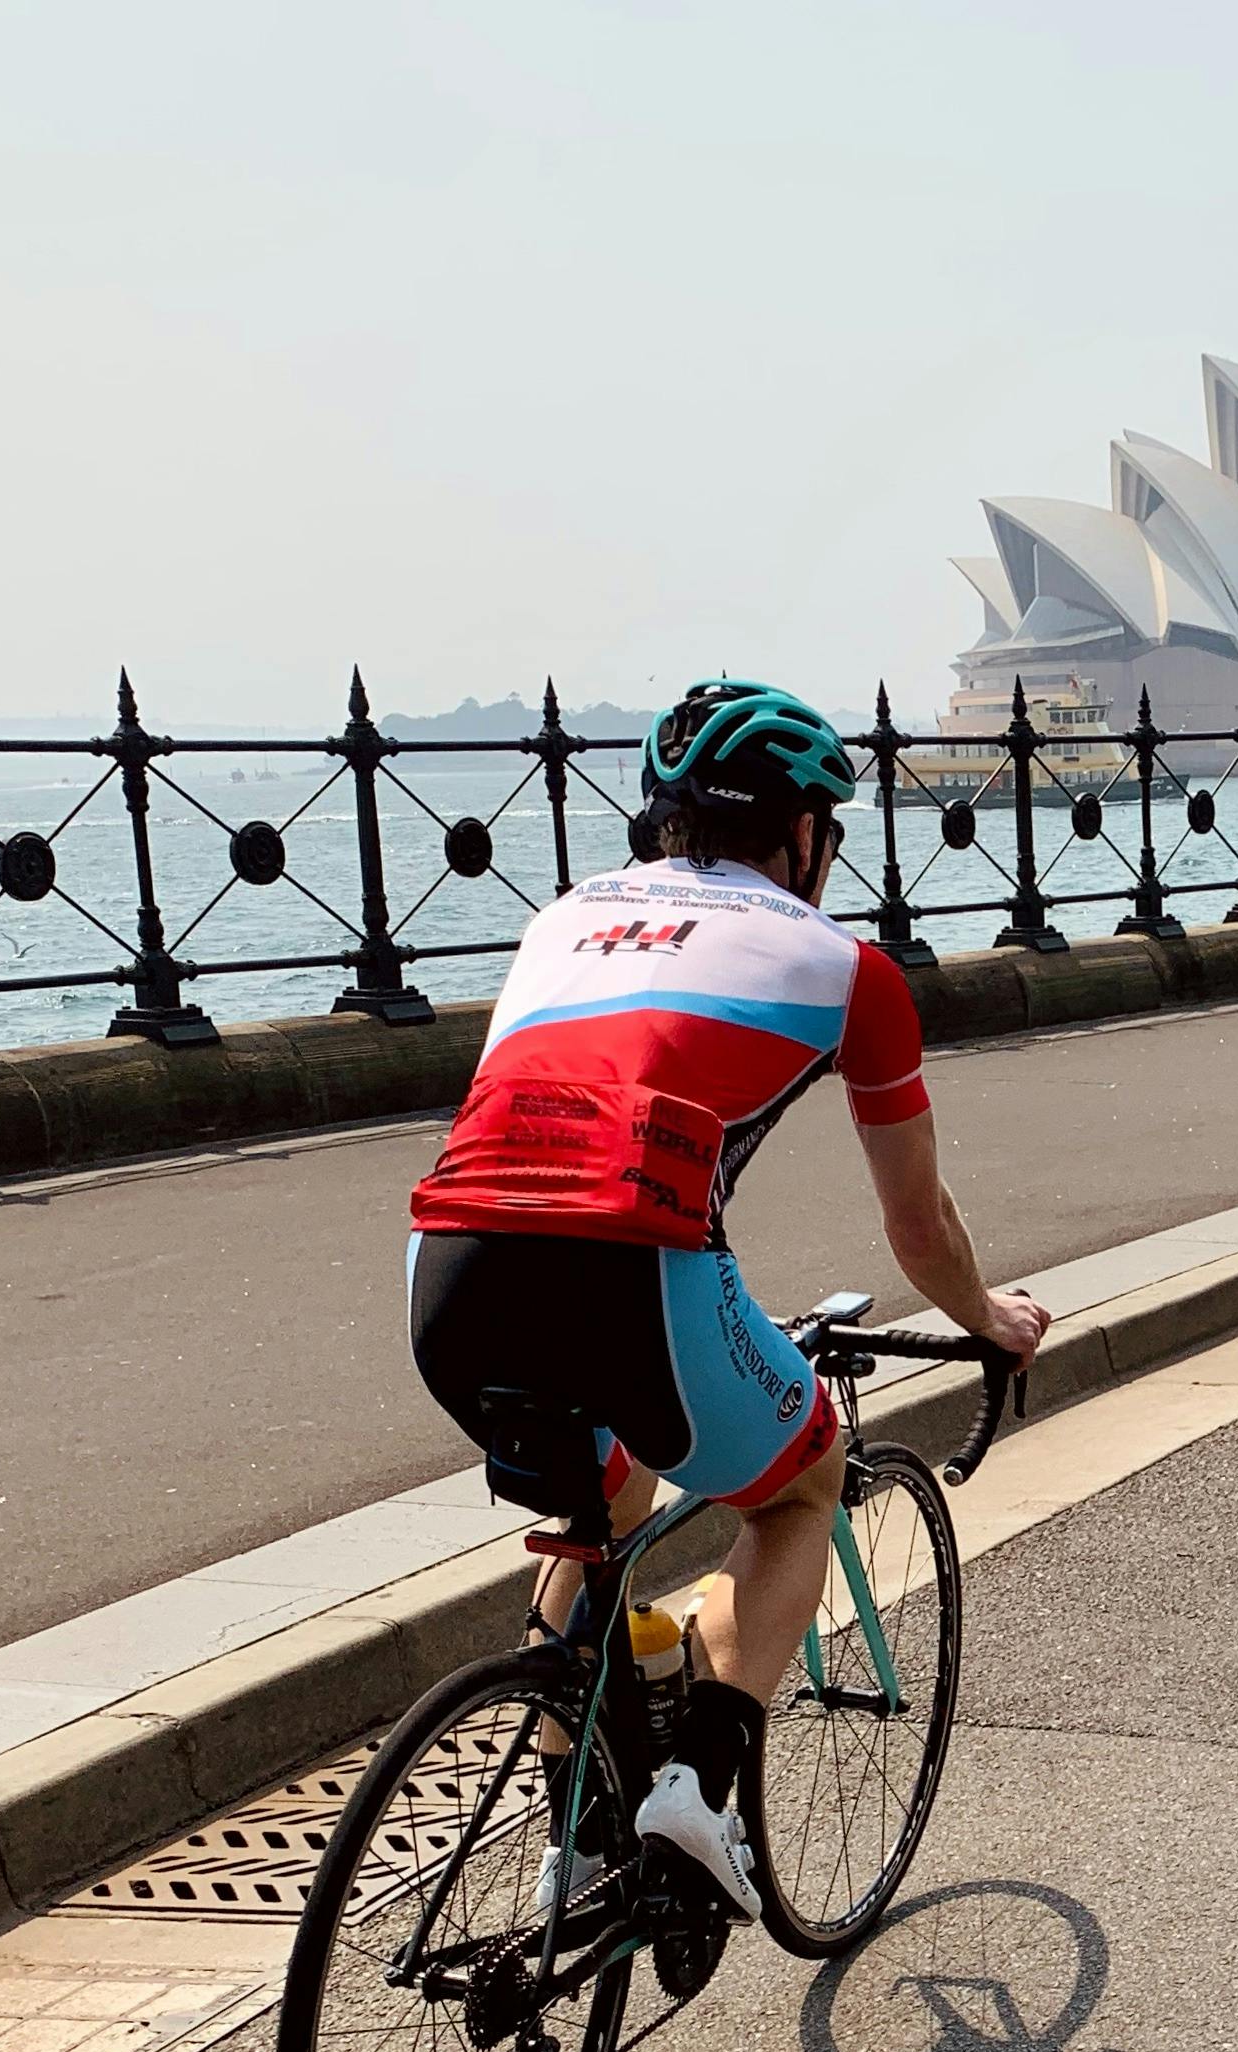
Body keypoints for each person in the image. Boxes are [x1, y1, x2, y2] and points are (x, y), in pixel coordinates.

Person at [403, 679, 1049, 1918]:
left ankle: (575, 1848)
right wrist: (989, 1319)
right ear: (804, 835)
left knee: (601, 1502)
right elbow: (919, 1228)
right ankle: (700, 1781)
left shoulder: (561, 920)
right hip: (630, 1265)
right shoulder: (847, 966)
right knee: (802, 1483)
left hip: (445, 1267)